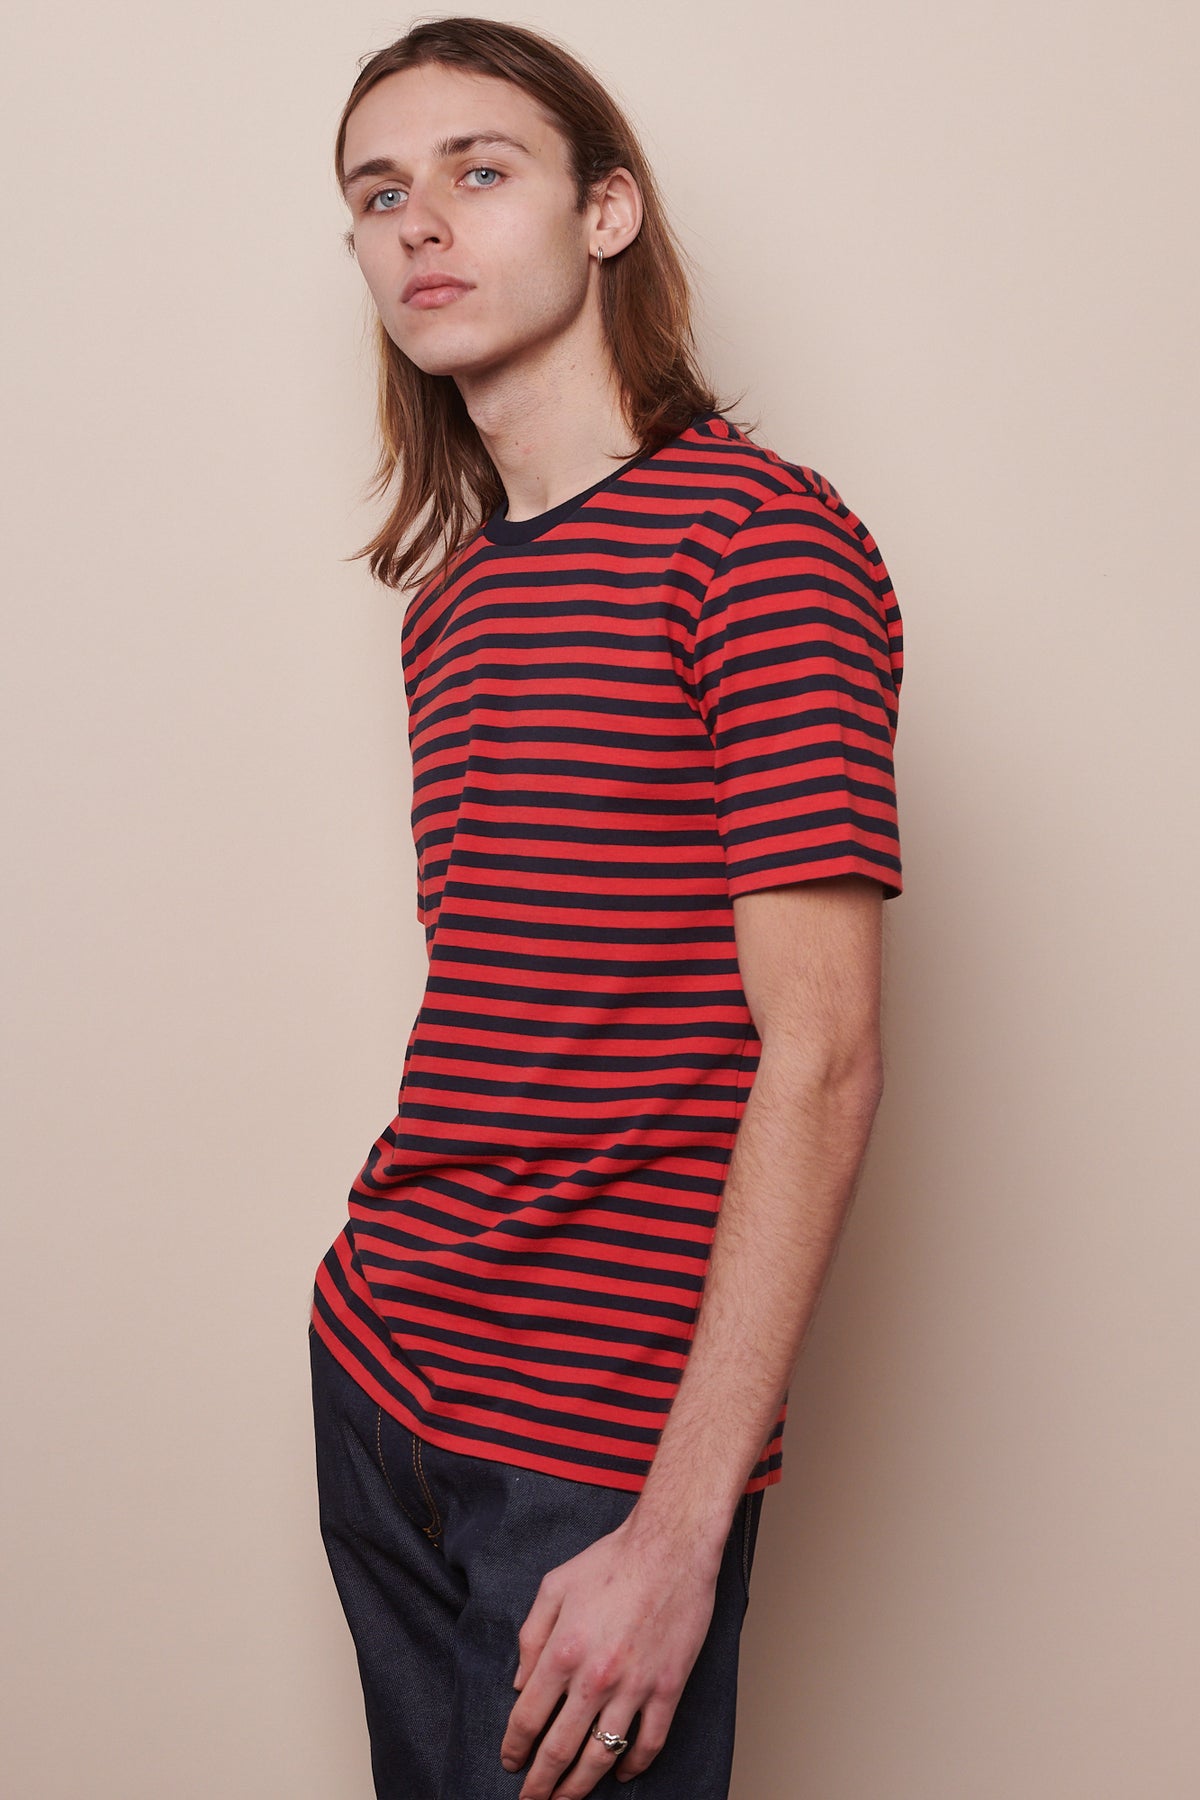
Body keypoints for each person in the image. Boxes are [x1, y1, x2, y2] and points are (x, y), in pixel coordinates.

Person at [308, 18, 904, 1800]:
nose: (421, 223)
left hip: (596, 1450)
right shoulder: (451, 606)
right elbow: (516, 1003)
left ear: (606, 213)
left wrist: (677, 1523)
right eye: (379, 195)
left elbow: (821, 1060)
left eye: (479, 172)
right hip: (385, 1366)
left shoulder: (758, 545)